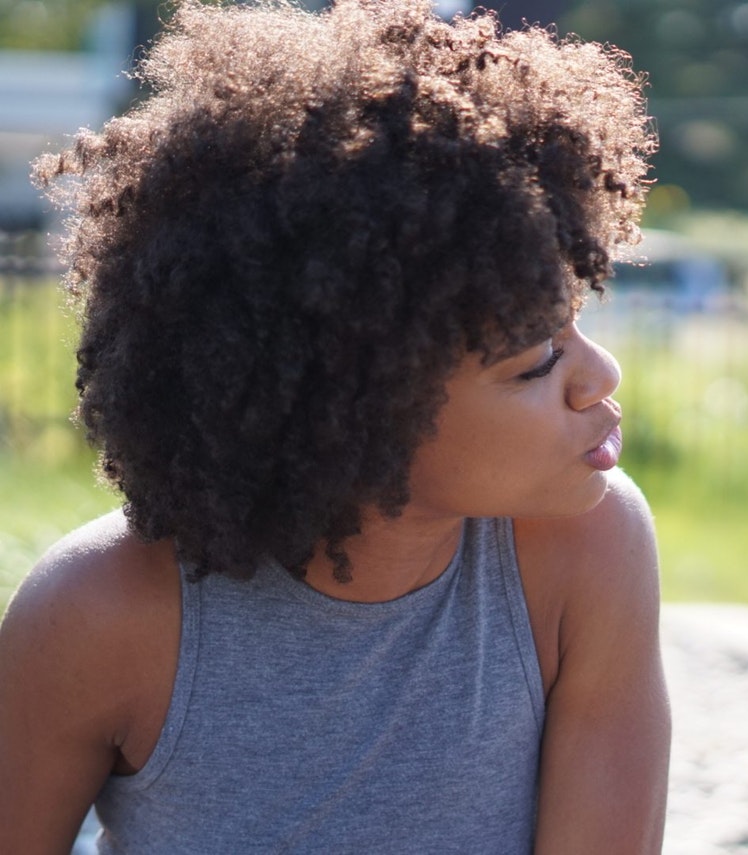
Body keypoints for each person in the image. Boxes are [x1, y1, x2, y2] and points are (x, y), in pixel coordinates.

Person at [0, 0, 669, 851]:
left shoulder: (587, 549)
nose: (601, 375)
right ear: (356, 405)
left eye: (576, 320)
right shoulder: (98, 613)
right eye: (534, 360)